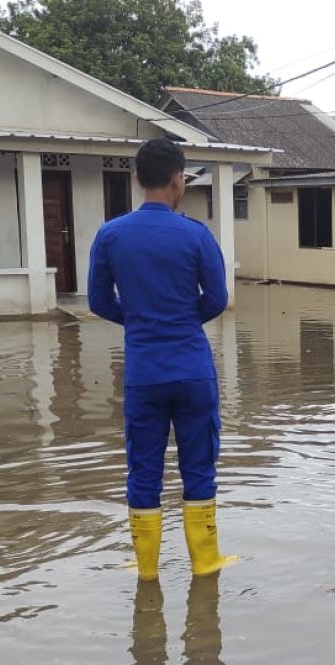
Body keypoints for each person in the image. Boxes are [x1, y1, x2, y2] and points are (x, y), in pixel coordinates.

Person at [88, 137, 236, 581]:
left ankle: (147, 570)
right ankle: (206, 562)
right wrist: (184, 320)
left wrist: (137, 318)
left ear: (136, 179)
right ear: (179, 179)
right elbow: (217, 299)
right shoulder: (196, 234)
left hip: (144, 373)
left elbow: (98, 301)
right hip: (192, 369)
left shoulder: (110, 235)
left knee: (143, 468)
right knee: (199, 466)